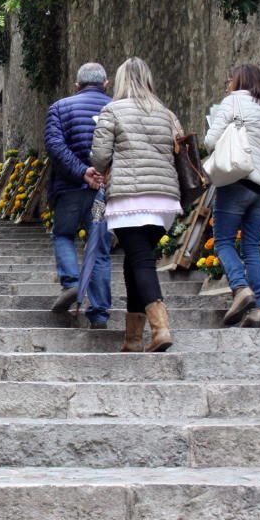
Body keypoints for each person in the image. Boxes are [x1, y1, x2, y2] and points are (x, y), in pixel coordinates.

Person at [91, 57, 183, 353]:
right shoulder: (166, 114)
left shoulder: (112, 111)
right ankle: (132, 339)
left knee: (141, 261)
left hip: (130, 197)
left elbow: (100, 157)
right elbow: (178, 147)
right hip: (164, 198)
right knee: (134, 261)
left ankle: (161, 328)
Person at [205, 63, 260, 329]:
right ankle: (257, 309)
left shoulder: (232, 103)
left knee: (224, 241)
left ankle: (240, 288)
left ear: (238, 82)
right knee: (252, 247)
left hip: (237, 180)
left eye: (230, 79)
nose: (228, 84)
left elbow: (209, 141)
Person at [43, 62, 113, 329]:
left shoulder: (59, 108)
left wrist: (82, 172)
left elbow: (54, 145)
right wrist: (101, 176)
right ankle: (99, 313)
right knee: (99, 247)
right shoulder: (115, 108)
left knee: (63, 234)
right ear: (106, 84)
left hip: (71, 190)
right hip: (100, 197)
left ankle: (72, 284)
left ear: (77, 85)